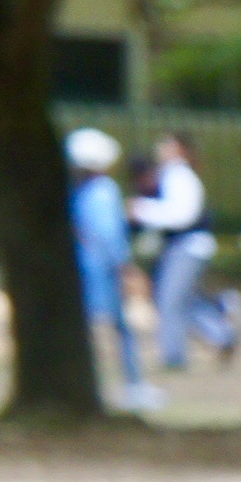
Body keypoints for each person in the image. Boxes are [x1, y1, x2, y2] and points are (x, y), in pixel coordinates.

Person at [68, 129, 162, 410]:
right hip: (105, 270)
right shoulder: (105, 191)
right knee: (121, 328)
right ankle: (133, 385)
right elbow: (110, 235)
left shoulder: (77, 192)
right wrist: (125, 267)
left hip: (83, 267)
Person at [129, 131, 237, 372]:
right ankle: (222, 335)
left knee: (168, 299)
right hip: (183, 247)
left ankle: (173, 356)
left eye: (166, 143)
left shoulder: (178, 175)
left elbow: (181, 215)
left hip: (186, 247)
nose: (160, 147)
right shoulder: (172, 175)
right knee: (183, 299)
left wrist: (142, 210)